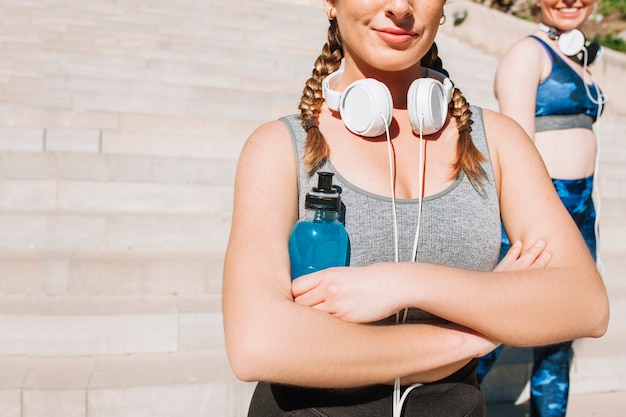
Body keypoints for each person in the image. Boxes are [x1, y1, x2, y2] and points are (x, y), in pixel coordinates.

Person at [222, 1, 609, 416]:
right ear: (331, 4)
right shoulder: (277, 147)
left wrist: (402, 283)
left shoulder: (498, 140)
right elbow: (257, 343)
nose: (400, 7)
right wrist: (469, 339)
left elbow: (585, 304)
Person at [476, 1, 606, 416]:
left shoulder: (580, 56)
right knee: (491, 329)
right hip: (541, 209)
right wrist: (533, 221)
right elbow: (515, 151)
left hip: (582, 208)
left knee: (562, 331)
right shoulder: (527, 54)